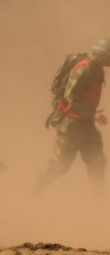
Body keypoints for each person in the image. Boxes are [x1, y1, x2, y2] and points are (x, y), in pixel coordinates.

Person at [37, 37, 110, 192]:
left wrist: (92, 115)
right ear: (102, 54)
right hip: (71, 124)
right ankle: (31, 196)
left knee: (97, 163)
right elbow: (70, 98)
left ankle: (100, 207)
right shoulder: (84, 68)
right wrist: (93, 114)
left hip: (86, 124)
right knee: (60, 165)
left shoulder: (98, 70)